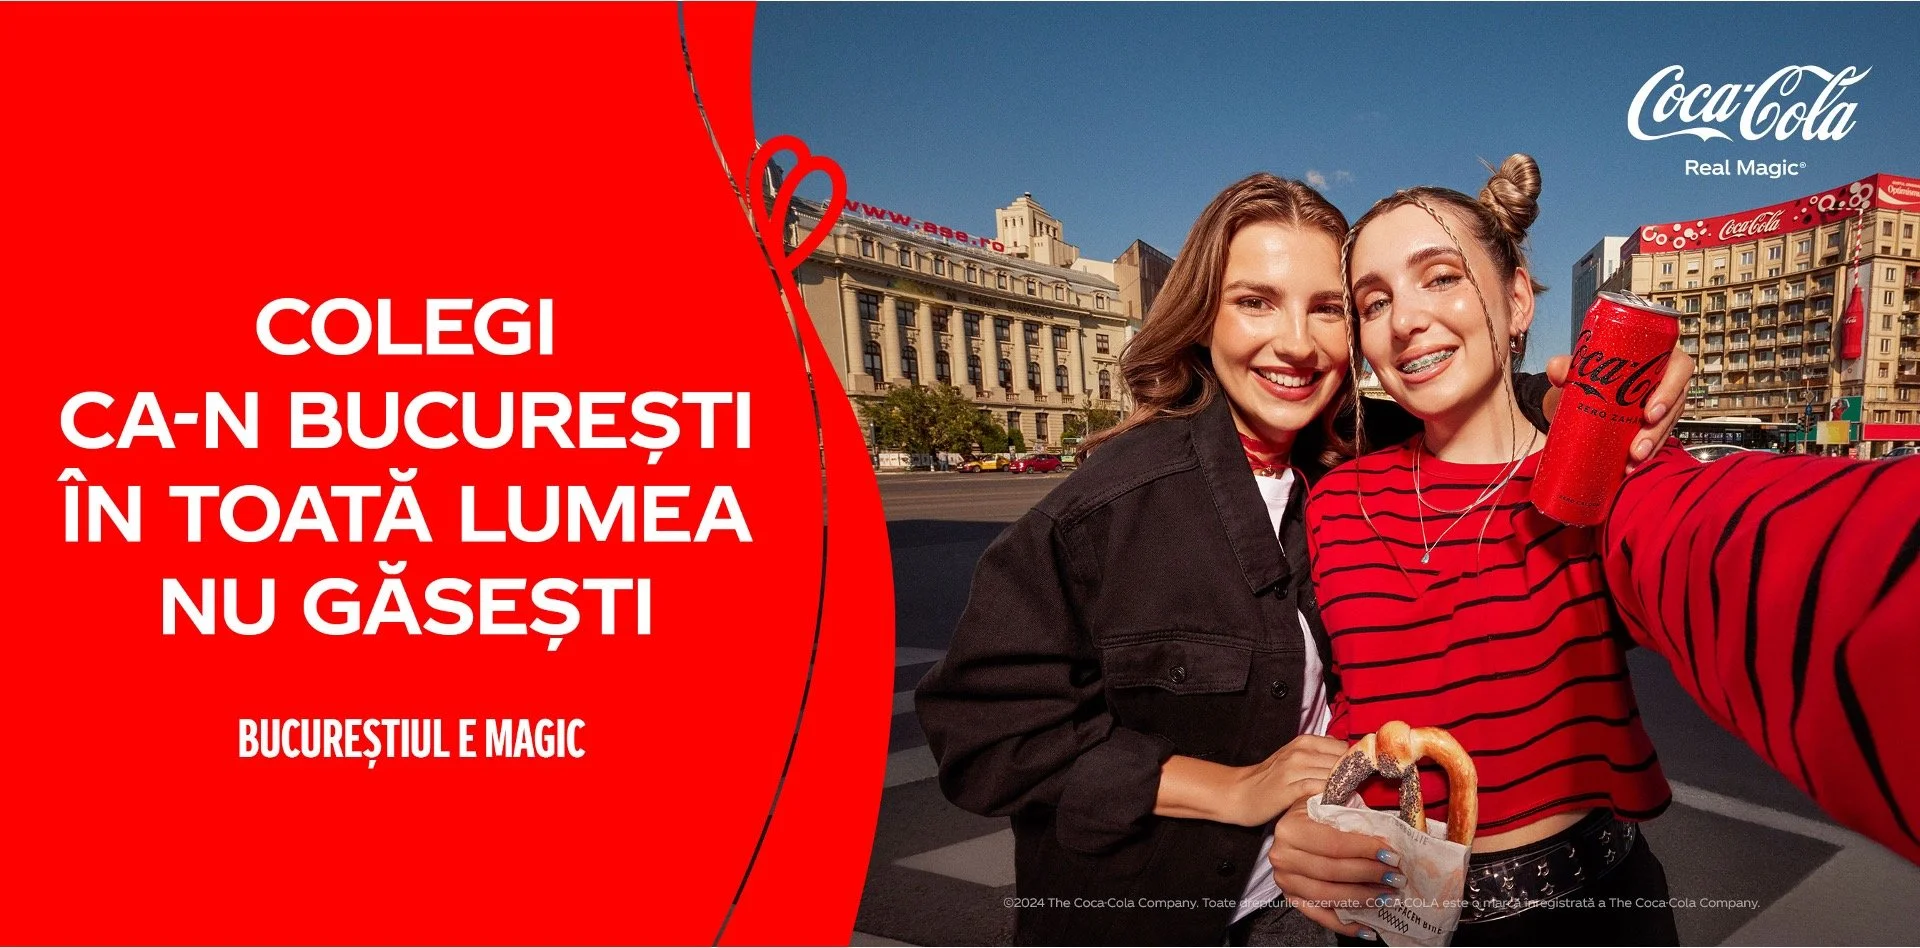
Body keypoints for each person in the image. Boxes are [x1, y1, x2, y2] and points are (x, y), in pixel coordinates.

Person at [913, 172, 1691, 945]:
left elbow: (1468, 397)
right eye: (1256, 302)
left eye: (1327, 309)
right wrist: (1233, 789)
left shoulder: (1342, 458)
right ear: (1202, 318)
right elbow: (983, 733)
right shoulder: (1113, 505)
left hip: (1357, 915)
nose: (1295, 341)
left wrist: (1592, 403)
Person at [1284, 155, 1920, 945]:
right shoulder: (1335, 501)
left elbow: (1734, 552)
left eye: (1441, 277)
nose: (1404, 320)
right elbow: (1338, 710)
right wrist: (1308, 822)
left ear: (1518, 299)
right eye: (1374, 301)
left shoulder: (1602, 480)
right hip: (1389, 920)